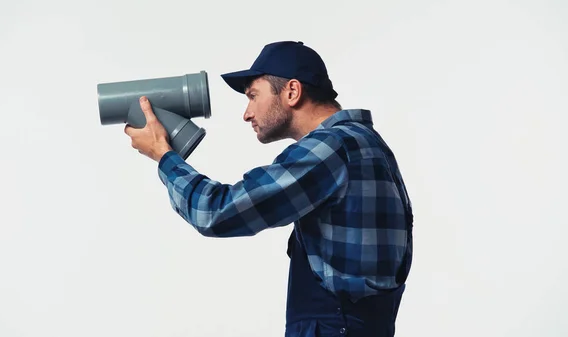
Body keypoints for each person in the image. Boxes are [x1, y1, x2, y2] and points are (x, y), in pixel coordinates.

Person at [124, 41, 413, 337]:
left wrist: (164, 156)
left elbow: (216, 211)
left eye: (253, 96)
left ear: (292, 91)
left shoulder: (331, 148)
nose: (247, 114)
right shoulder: (369, 144)